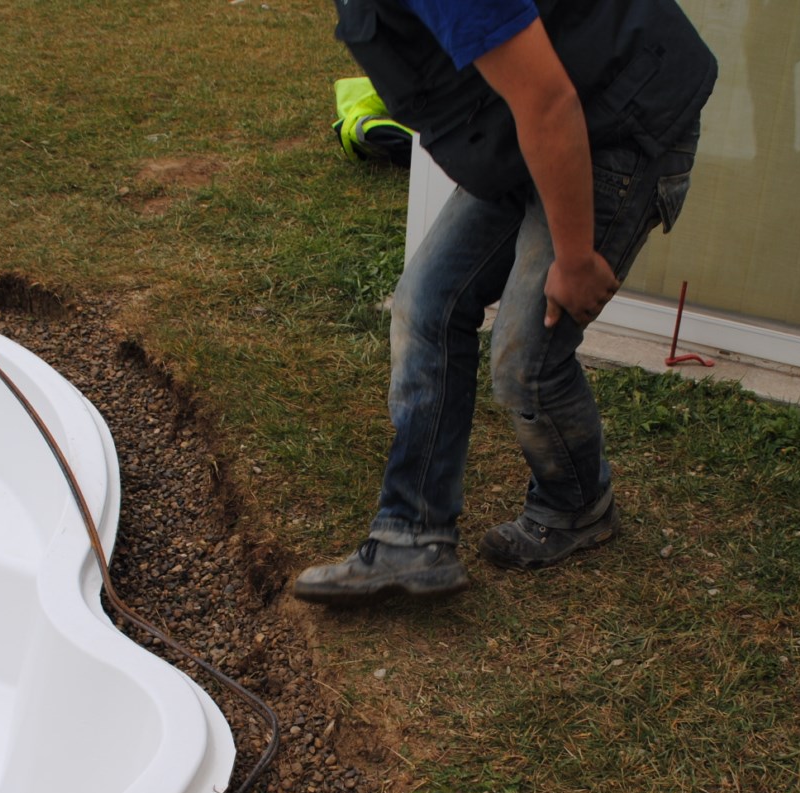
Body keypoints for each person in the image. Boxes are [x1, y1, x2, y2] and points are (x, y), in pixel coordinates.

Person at [294, 0, 716, 606]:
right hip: (525, 121)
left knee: (525, 362)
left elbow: (548, 102)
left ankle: (578, 505)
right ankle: (411, 535)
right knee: (426, 305)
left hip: (615, 118)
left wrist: (574, 258)